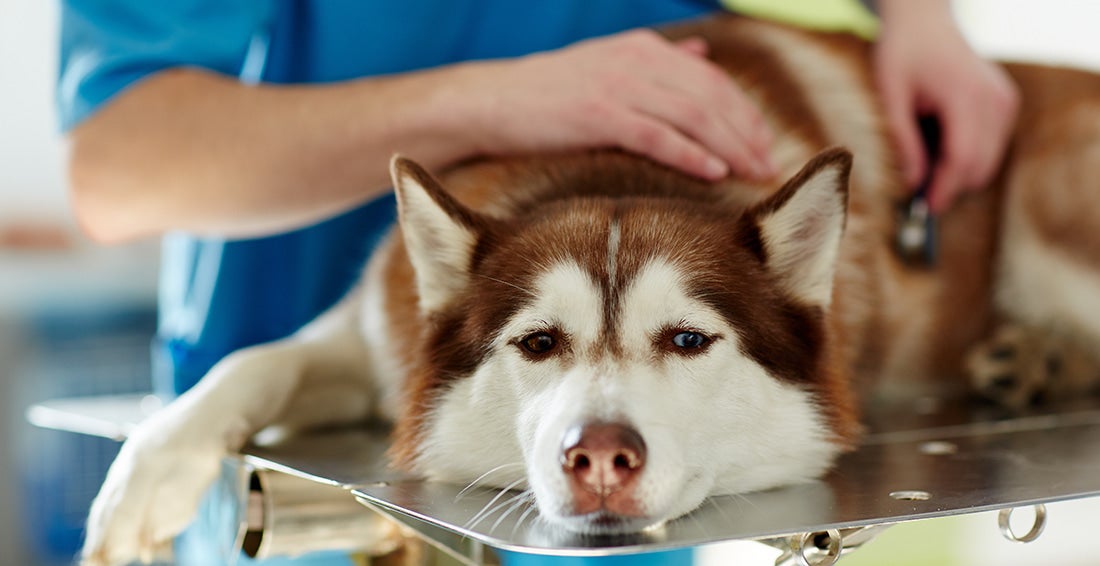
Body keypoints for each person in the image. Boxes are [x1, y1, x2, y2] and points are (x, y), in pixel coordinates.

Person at [58, 1, 1017, 565]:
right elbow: (118, 164)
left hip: (679, 481)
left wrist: (920, 15)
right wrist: (498, 100)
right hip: (326, 460)